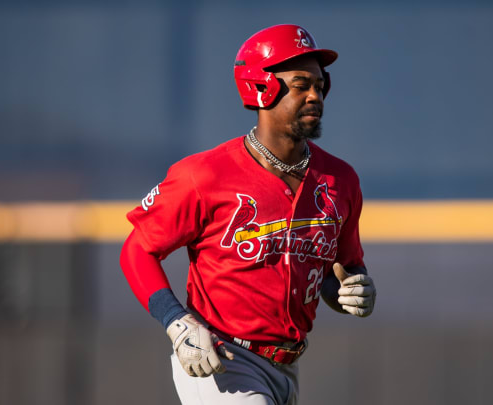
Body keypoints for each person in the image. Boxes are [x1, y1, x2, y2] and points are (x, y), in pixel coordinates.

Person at [120, 24, 376, 405]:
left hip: (288, 367)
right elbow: (136, 250)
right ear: (261, 86)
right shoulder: (205, 175)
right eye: (300, 84)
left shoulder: (340, 180)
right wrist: (176, 322)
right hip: (222, 360)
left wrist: (352, 289)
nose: (314, 95)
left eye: (320, 86)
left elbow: (337, 270)